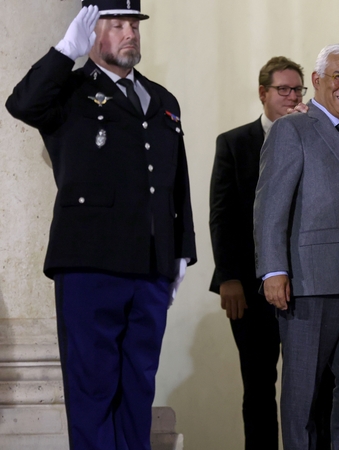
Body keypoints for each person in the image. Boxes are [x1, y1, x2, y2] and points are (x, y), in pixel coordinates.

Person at [5, 2, 196, 449]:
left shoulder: (162, 99)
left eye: (134, 24)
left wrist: (182, 248)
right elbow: (21, 103)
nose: (130, 32)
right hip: (90, 265)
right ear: (92, 32)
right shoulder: (69, 92)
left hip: (150, 266)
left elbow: (176, 180)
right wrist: (63, 51)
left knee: (137, 388)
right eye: (116, 24)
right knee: (92, 390)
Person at [254, 44, 339, 450]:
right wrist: (274, 270)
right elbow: (270, 205)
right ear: (316, 81)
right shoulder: (292, 129)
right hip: (311, 283)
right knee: (303, 398)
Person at [209, 56, 305, 450]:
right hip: (247, 286)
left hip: (304, 283)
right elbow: (222, 215)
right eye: (283, 89)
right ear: (263, 93)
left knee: (307, 385)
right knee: (259, 386)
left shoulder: (313, 135)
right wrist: (229, 277)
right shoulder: (234, 143)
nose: (292, 96)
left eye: (298, 89)